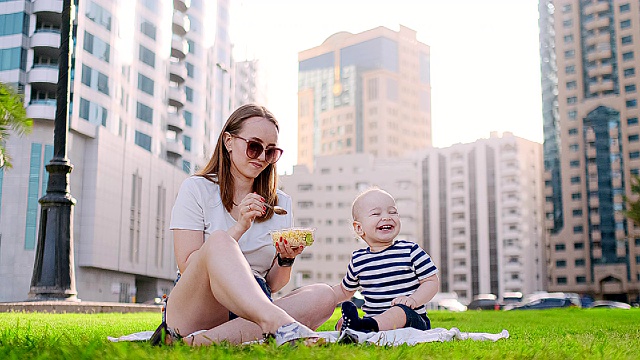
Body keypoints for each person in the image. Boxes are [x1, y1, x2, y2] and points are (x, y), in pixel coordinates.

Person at [151, 104, 336, 346]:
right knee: (219, 240)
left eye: (270, 152)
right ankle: (277, 324)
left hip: (252, 307)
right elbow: (187, 266)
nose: (261, 158)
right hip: (198, 305)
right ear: (228, 141)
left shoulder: (281, 204)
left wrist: (285, 259)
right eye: (254, 147)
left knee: (324, 295)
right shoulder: (196, 189)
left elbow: (272, 284)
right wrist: (239, 227)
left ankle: (192, 344)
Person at [331, 187, 440, 333]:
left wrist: (413, 300)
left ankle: (364, 328)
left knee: (398, 311)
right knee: (342, 320)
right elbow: (344, 291)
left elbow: (431, 281)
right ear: (359, 228)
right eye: (376, 213)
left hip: (411, 319)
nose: (387, 217)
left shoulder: (410, 251)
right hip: (374, 319)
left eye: (393, 212)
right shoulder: (358, 260)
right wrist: (323, 296)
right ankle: (353, 328)